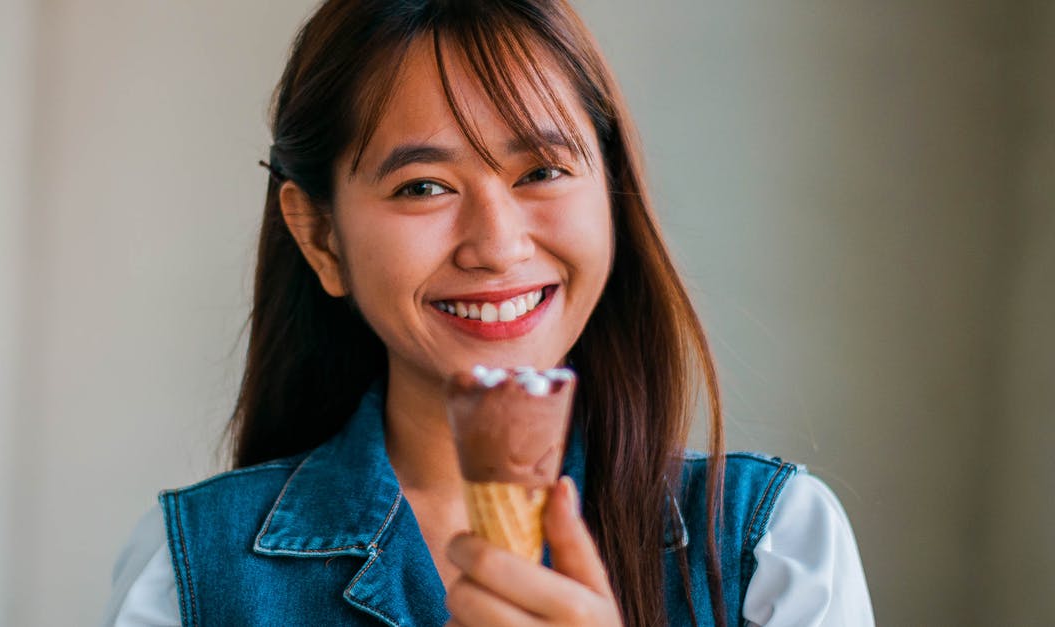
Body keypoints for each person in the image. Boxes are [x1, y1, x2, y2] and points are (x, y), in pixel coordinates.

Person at [103, 1, 874, 625]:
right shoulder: (190, 575)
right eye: (423, 186)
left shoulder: (768, 548)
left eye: (540, 170)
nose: (497, 246)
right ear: (321, 235)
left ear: (611, 187)